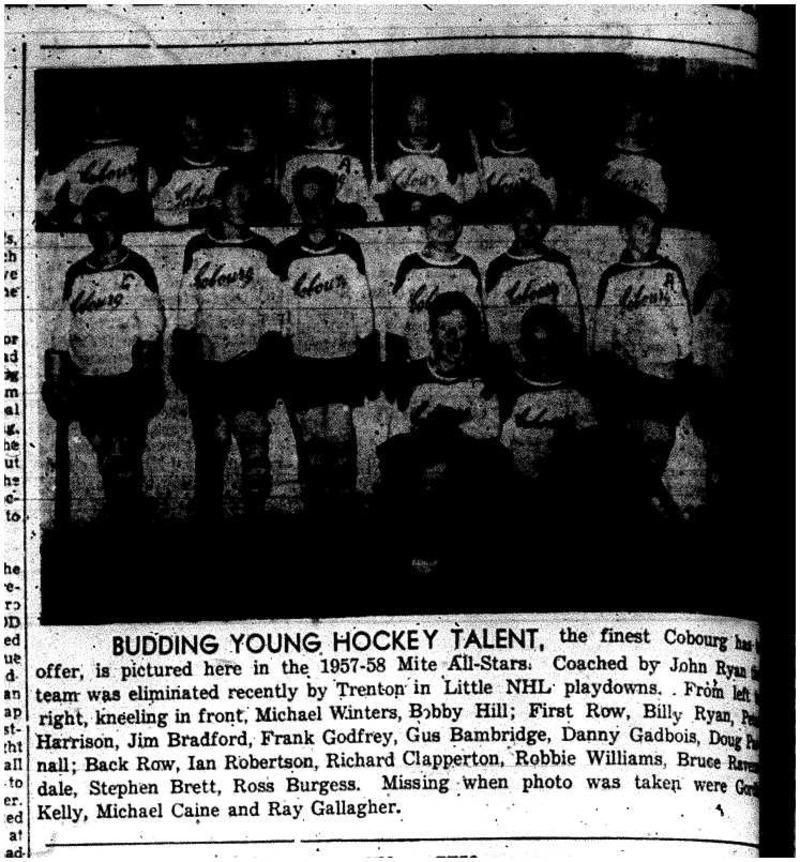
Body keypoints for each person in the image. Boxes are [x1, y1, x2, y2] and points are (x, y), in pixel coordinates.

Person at [43, 187, 166, 519]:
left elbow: (152, 326)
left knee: (124, 450)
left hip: (127, 379)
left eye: (109, 223)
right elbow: (60, 332)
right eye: (95, 225)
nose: (103, 232)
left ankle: (129, 512)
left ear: (121, 225)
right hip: (89, 382)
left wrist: (143, 370)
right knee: (103, 448)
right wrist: (54, 380)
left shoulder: (138, 267)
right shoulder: (77, 273)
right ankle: (117, 510)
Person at [171, 172, 282, 520]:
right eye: (235, 198)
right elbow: (186, 312)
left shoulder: (262, 248)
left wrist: (265, 359)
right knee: (212, 447)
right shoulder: (198, 247)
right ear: (217, 202)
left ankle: (255, 519)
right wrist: (187, 357)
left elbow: (274, 312)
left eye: (247, 198)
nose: (242, 205)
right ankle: (210, 526)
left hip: (248, 364)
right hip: (210, 368)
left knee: (254, 450)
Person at [273, 166, 379, 509]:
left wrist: (366, 354)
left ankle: (343, 508)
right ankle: (316, 512)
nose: (314, 208)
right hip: (304, 361)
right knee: (312, 443)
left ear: (332, 200)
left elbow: (363, 308)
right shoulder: (287, 251)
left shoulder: (349, 248)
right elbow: (279, 313)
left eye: (320, 199)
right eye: (306, 201)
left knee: (339, 435)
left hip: (342, 359)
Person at [377, 292, 506, 571]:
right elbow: (395, 437)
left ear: (471, 332)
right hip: (421, 465)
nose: (452, 337)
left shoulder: (485, 377)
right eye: (444, 328)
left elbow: (489, 431)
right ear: (432, 332)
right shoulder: (412, 376)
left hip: (464, 467)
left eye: (460, 328)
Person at [591, 200, 692, 518]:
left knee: (658, 444)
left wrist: (681, 368)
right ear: (624, 232)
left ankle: (655, 502)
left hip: (662, 378)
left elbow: (684, 331)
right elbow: (601, 335)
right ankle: (644, 506)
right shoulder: (614, 277)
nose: (651, 234)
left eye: (655, 228)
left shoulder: (669, 273)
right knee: (629, 451)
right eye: (641, 227)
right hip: (626, 379)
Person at [386, 195, 484, 404]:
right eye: (435, 226)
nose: (441, 233)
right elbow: (395, 326)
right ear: (425, 229)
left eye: (449, 226)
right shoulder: (411, 265)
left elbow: (478, 326)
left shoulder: (467, 267)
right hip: (418, 364)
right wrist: (396, 374)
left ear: (459, 229)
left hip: (457, 365)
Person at [501, 305, 597, 498]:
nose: (543, 355)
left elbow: (591, 449)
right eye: (536, 346)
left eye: (550, 345)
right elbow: (499, 448)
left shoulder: (580, 387)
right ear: (523, 346)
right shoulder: (507, 387)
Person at [484, 187, 585, 367]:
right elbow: (493, 326)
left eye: (538, 220)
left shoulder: (559, 262)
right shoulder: (498, 266)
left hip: (553, 359)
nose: (531, 226)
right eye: (524, 219)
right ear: (513, 222)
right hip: (514, 362)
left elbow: (574, 321)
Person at [36, 101, 151, 230]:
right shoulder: (69, 155)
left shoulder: (139, 155)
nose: (105, 117)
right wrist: (72, 217)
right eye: (100, 112)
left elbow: (159, 204)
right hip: (83, 234)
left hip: (129, 232)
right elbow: (42, 201)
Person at [280, 93, 372, 224]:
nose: (323, 121)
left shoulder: (353, 162)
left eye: (329, 116)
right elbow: (287, 202)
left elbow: (364, 203)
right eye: (317, 115)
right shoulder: (295, 162)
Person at [376, 92, 466, 222]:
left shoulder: (446, 154)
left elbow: (456, 199)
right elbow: (383, 200)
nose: (419, 119)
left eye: (424, 113)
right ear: (404, 116)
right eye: (413, 113)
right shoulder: (390, 155)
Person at [470, 95, 557, 222]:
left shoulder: (539, 159)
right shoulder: (481, 158)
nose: (511, 119)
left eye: (515, 112)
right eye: (503, 113)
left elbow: (550, 204)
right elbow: (468, 201)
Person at [149, 106, 228, 229]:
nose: (194, 135)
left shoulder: (225, 167)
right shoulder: (166, 169)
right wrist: (198, 215)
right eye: (187, 129)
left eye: (199, 128)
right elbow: (157, 216)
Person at [597, 101, 668, 220]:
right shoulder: (604, 158)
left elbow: (660, 208)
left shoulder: (655, 166)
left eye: (636, 111)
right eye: (628, 110)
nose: (631, 116)